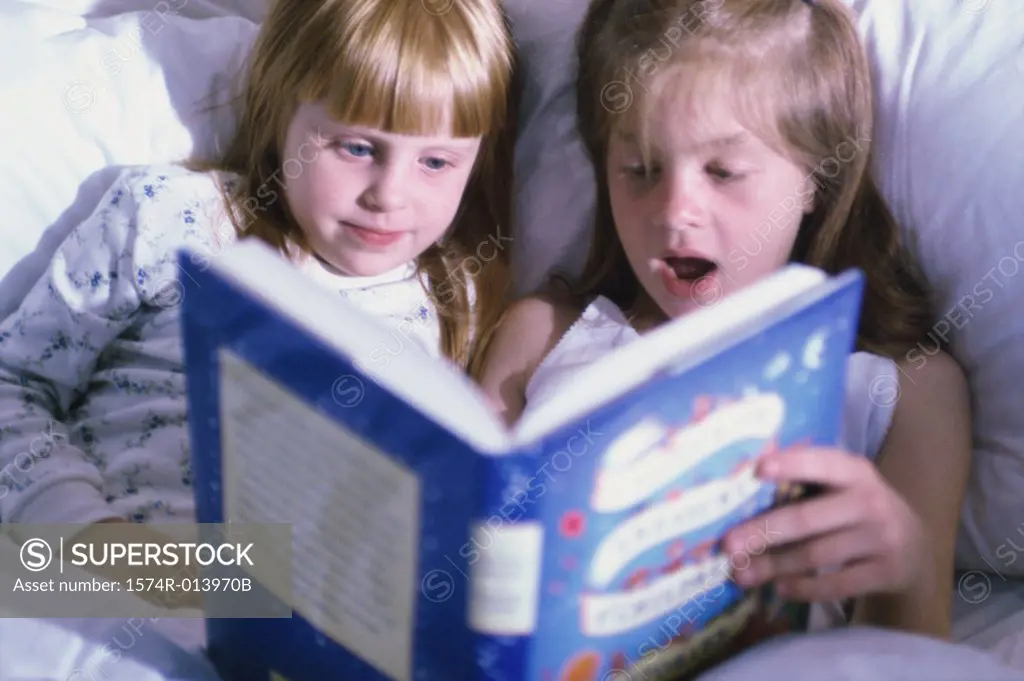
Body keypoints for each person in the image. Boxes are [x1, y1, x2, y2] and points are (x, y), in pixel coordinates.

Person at [479, 0, 970, 642]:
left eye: (723, 171)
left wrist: (903, 562)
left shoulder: (907, 389)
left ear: (816, 180)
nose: (675, 211)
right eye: (641, 169)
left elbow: (916, 650)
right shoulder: (539, 337)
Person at [0, 0, 517, 600]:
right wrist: (90, 534)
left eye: (436, 161)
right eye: (356, 148)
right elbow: (13, 383)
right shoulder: (175, 217)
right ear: (280, 112)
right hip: (96, 587)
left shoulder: (457, 300)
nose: (390, 195)